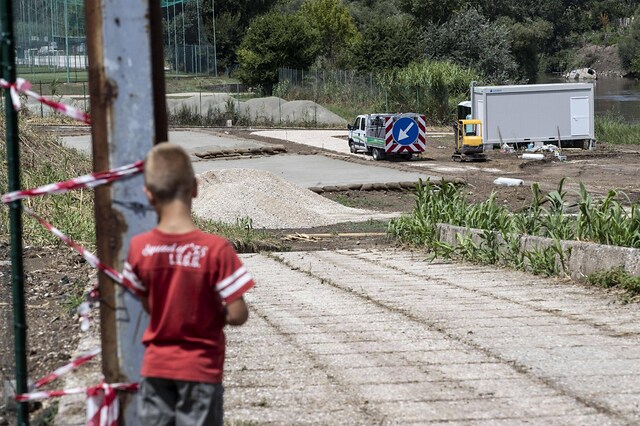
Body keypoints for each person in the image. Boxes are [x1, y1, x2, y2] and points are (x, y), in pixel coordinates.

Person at [122, 143, 254, 426]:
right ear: (194, 187)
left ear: (148, 195)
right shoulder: (217, 250)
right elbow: (237, 314)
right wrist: (214, 312)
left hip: (155, 368)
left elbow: (148, 303)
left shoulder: (138, 249)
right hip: (200, 371)